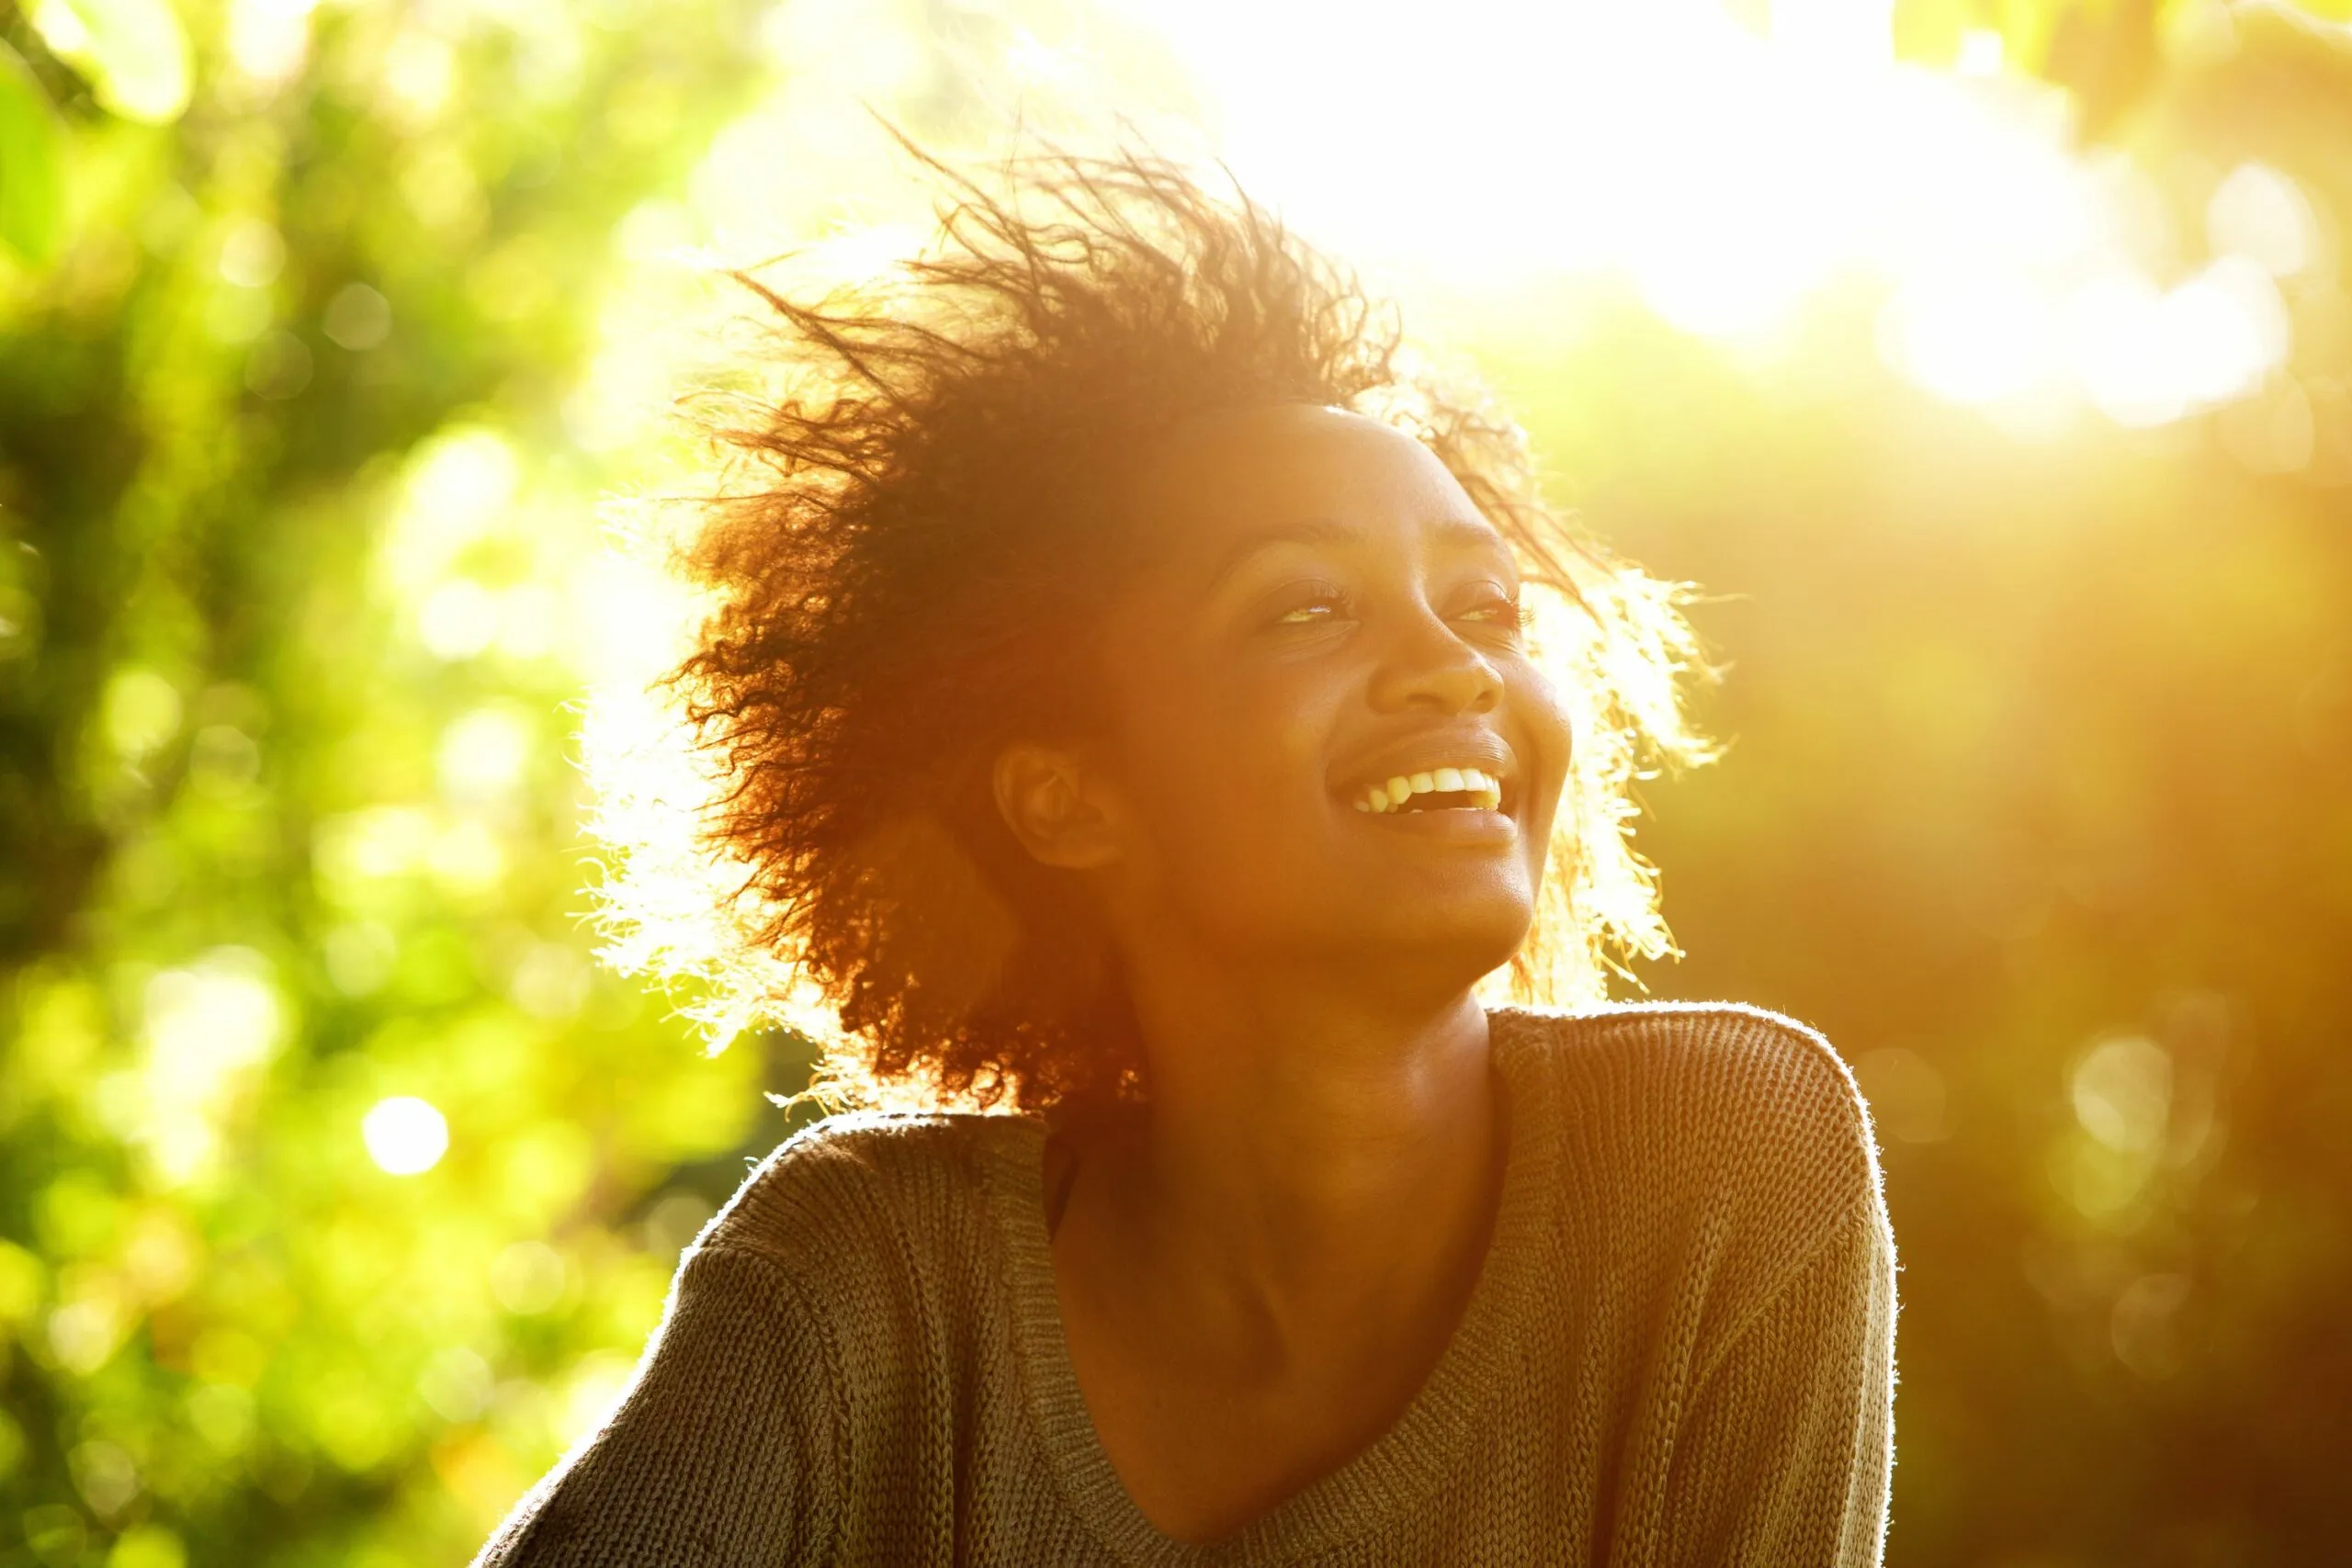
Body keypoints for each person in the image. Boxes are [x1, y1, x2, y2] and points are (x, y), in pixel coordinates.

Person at [475, 146, 1895, 1566]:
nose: (1455, 668)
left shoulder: (1721, 1165)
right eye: (1305, 610)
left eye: (1484, 604)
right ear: (1069, 797)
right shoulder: (865, 1286)